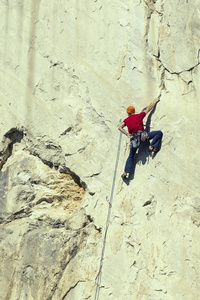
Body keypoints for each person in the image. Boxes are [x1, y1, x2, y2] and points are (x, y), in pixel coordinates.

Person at [118, 97, 163, 179]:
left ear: (128, 113)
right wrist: (155, 101)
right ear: (134, 112)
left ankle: (125, 173)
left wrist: (127, 134)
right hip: (143, 137)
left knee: (131, 156)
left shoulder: (127, 120)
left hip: (134, 140)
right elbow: (149, 109)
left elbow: (120, 127)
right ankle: (152, 146)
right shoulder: (139, 116)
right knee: (159, 133)